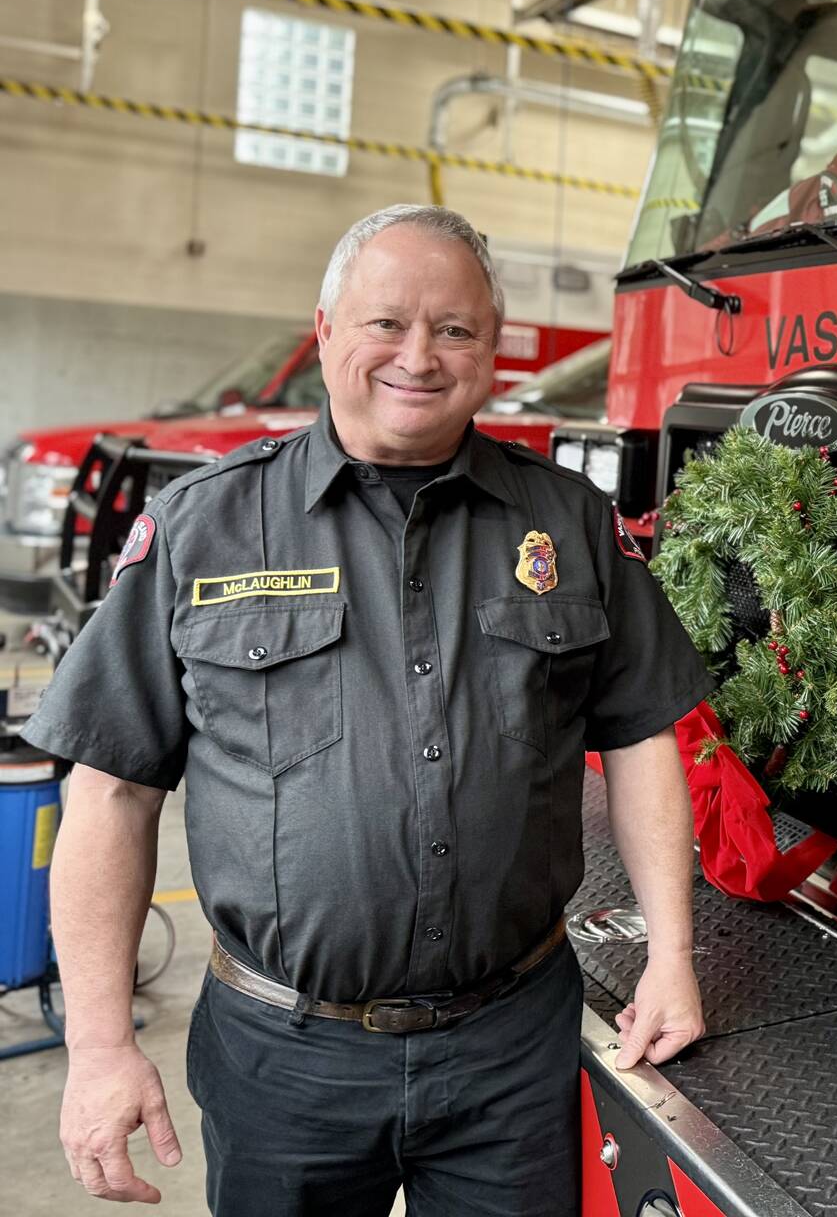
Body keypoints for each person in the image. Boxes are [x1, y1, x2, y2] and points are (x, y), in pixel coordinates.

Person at [26, 205, 709, 1214]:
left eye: (456, 329)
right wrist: (96, 1048)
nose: (419, 357)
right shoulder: (202, 527)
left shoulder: (567, 524)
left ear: (490, 345)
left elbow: (643, 735)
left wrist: (672, 957)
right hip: (282, 1060)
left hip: (510, 1055)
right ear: (326, 332)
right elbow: (112, 794)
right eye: (386, 323)